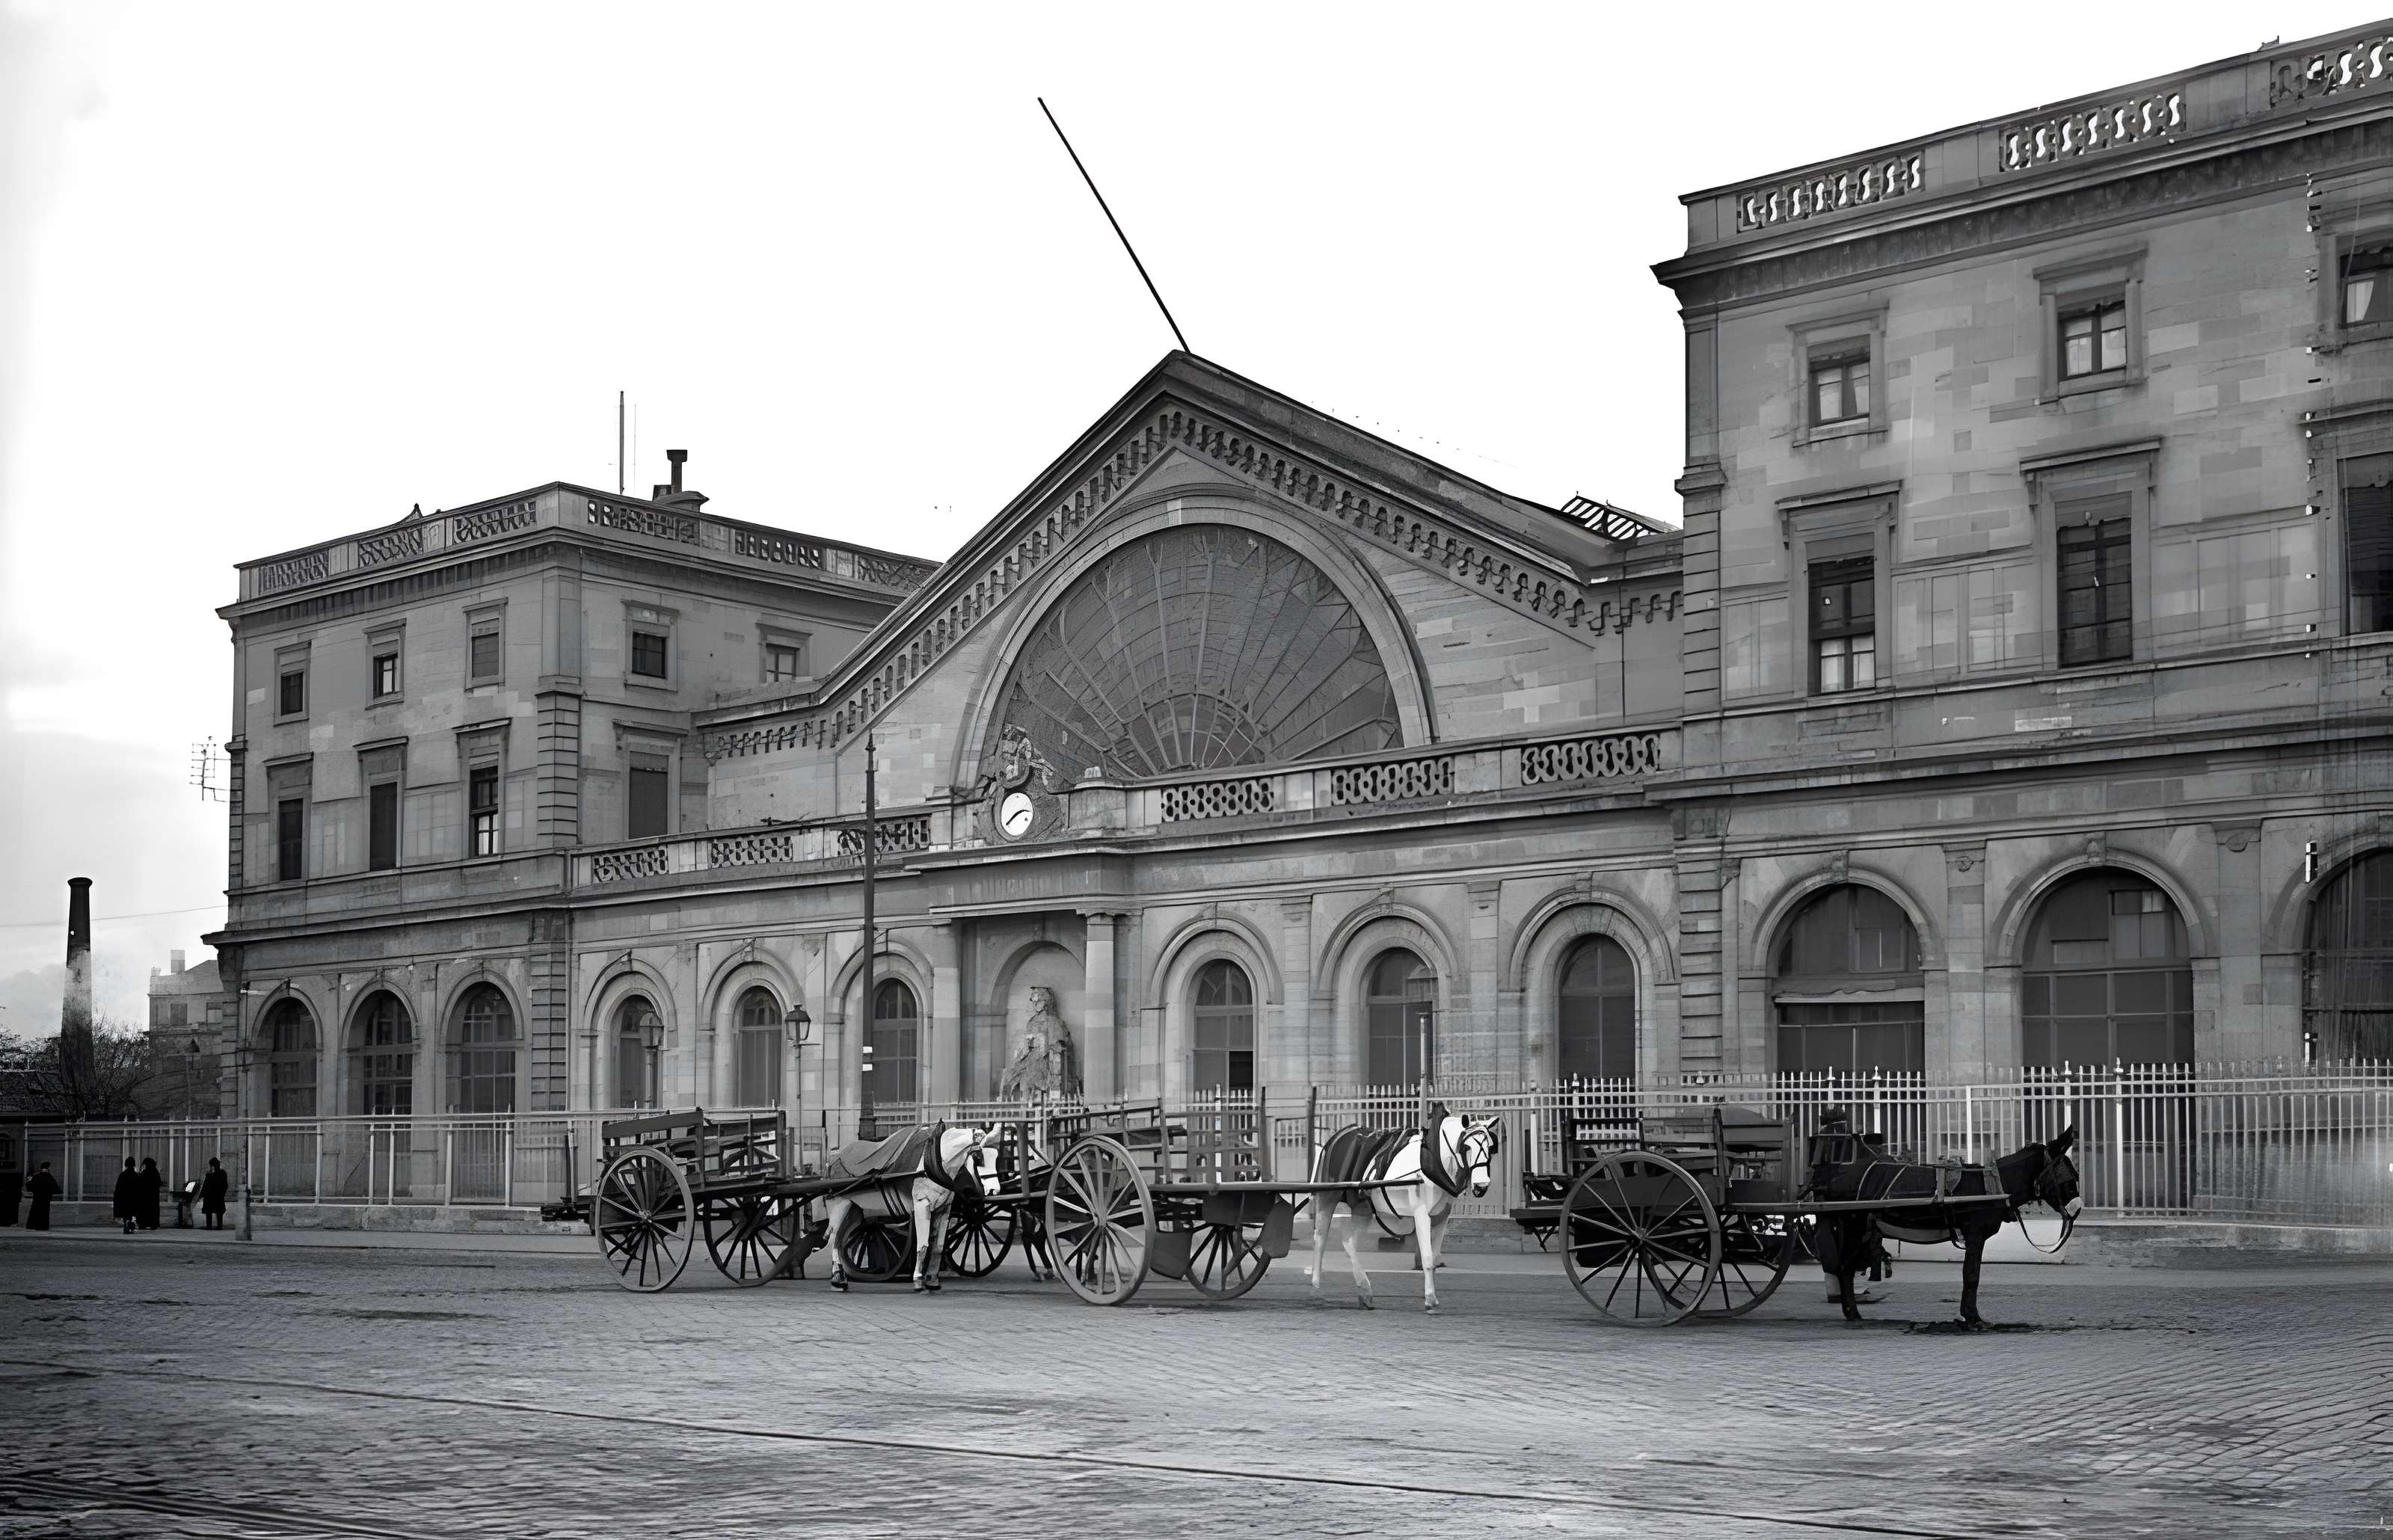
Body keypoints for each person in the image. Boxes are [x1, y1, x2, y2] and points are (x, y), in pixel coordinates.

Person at [25, 1162, 60, 1231]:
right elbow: (55, 1188)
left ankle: (32, 1225)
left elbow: (30, 1186)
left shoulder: (36, 1176)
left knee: (35, 1211)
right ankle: (43, 1226)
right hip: (46, 1198)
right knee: (44, 1212)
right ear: (48, 1168)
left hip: (37, 1197)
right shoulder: (49, 1177)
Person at [112, 1156, 141, 1234]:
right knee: (131, 1215)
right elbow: (139, 1189)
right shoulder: (136, 1175)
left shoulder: (123, 1175)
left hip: (124, 1199)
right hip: (133, 1199)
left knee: (126, 1215)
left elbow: (118, 1189)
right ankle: (130, 1228)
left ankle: (127, 1227)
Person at [200, 1159, 230, 1231]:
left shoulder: (209, 1174)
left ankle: (209, 1226)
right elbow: (225, 1185)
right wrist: (223, 1193)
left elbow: (205, 1186)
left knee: (209, 1212)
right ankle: (219, 1226)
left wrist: (202, 1195)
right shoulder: (222, 1173)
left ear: (212, 1166)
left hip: (209, 1196)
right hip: (219, 1196)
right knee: (219, 1212)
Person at [137, 1157, 165, 1231]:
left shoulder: (146, 1172)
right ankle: (153, 1224)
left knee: (145, 1210)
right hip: (153, 1195)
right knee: (153, 1210)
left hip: (146, 1195)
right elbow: (158, 1182)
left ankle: (144, 1224)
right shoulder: (155, 1172)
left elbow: (140, 1182)